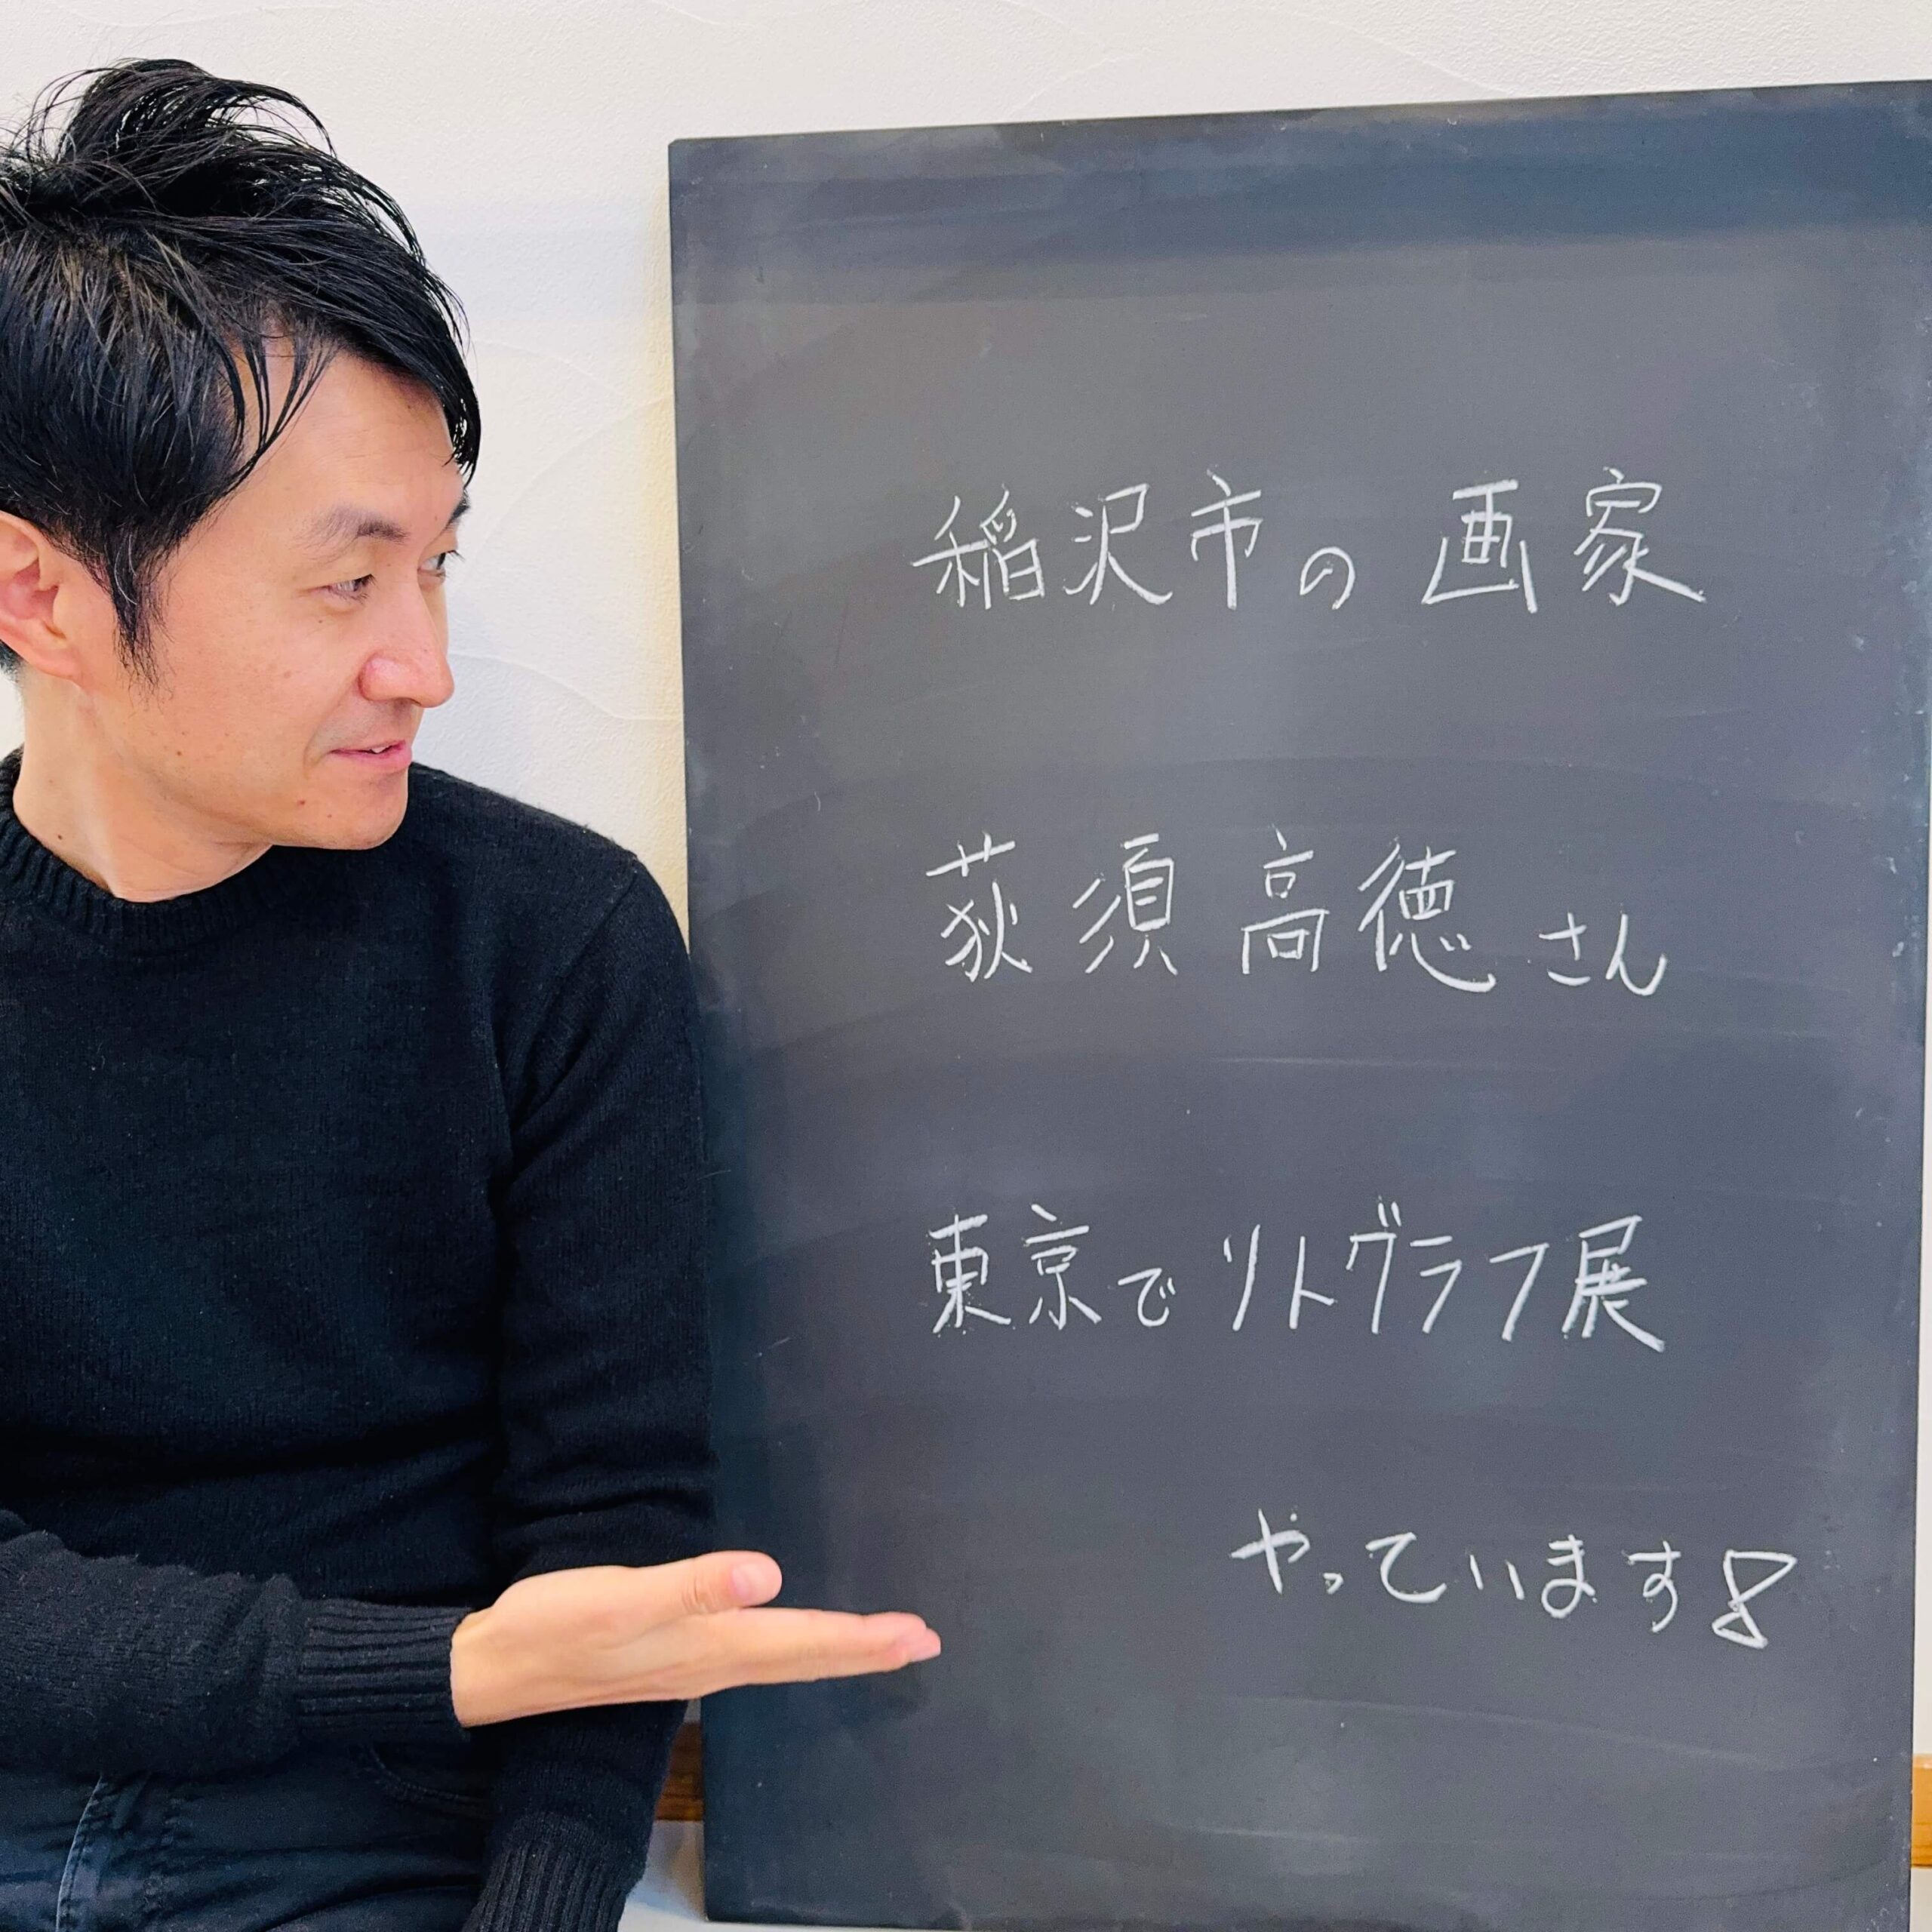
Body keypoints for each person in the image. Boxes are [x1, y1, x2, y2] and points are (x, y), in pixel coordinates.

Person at [0, 57, 940, 1932]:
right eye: (345, 583)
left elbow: (610, 1549)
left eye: (432, 564)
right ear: (43, 598)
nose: (420, 663)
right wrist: (444, 1659)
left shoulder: (551, 942)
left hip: (365, 1842)